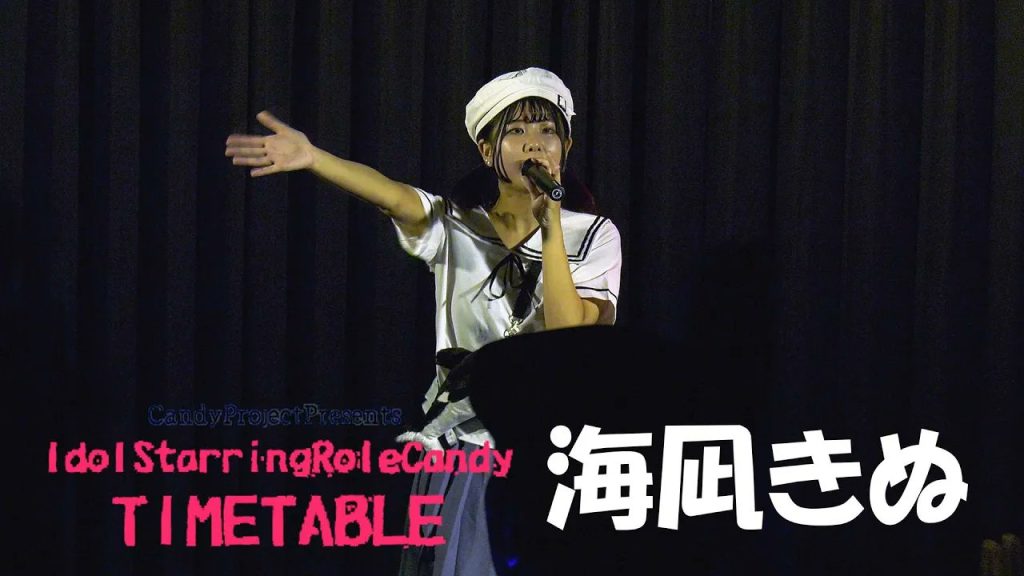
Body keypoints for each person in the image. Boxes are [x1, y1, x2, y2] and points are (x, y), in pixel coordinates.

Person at [225, 67, 622, 575]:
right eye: (517, 130)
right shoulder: (454, 223)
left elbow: (571, 336)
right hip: (469, 450)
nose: (534, 143)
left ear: (565, 145)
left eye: (548, 130)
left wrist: (551, 230)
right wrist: (314, 157)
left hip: (553, 453)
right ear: (487, 150)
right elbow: (391, 194)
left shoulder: (594, 235)